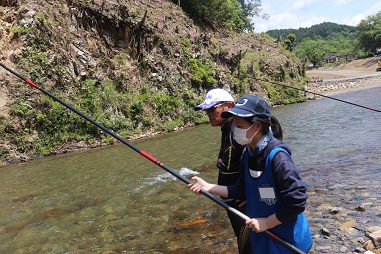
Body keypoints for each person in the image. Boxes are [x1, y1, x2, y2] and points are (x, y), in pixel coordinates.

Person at [190, 95, 312, 253]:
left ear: (257, 127)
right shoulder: (248, 154)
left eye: (239, 126)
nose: (235, 131)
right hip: (264, 237)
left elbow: (297, 202)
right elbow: (241, 190)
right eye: (234, 125)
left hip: (288, 240)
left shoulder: (279, 159)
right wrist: (209, 187)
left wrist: (267, 222)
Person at [194, 88, 251, 254]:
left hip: (242, 204)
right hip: (232, 201)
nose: (209, 114)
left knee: (248, 247)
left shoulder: (238, 129)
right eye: (207, 110)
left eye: (213, 109)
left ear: (228, 106)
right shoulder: (227, 128)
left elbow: (259, 160)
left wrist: (252, 191)